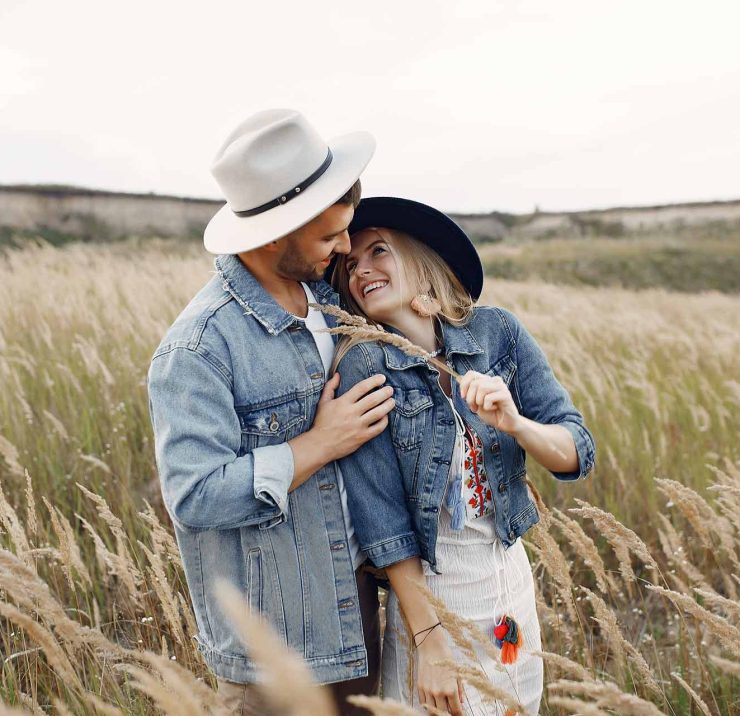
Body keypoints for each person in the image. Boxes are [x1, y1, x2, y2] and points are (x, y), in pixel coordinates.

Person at [147, 110, 397, 716]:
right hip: (275, 646)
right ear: (271, 236)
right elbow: (195, 495)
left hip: (356, 613)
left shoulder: (331, 303)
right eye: (329, 235)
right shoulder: (199, 348)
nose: (345, 246)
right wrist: (320, 443)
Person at [328, 197, 596, 715]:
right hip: (433, 600)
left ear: (421, 260)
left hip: (507, 586)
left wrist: (516, 423)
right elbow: (384, 526)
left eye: (377, 251)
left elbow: (575, 451)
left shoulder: (499, 334)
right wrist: (431, 645)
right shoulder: (364, 366)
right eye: (350, 264)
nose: (361, 269)